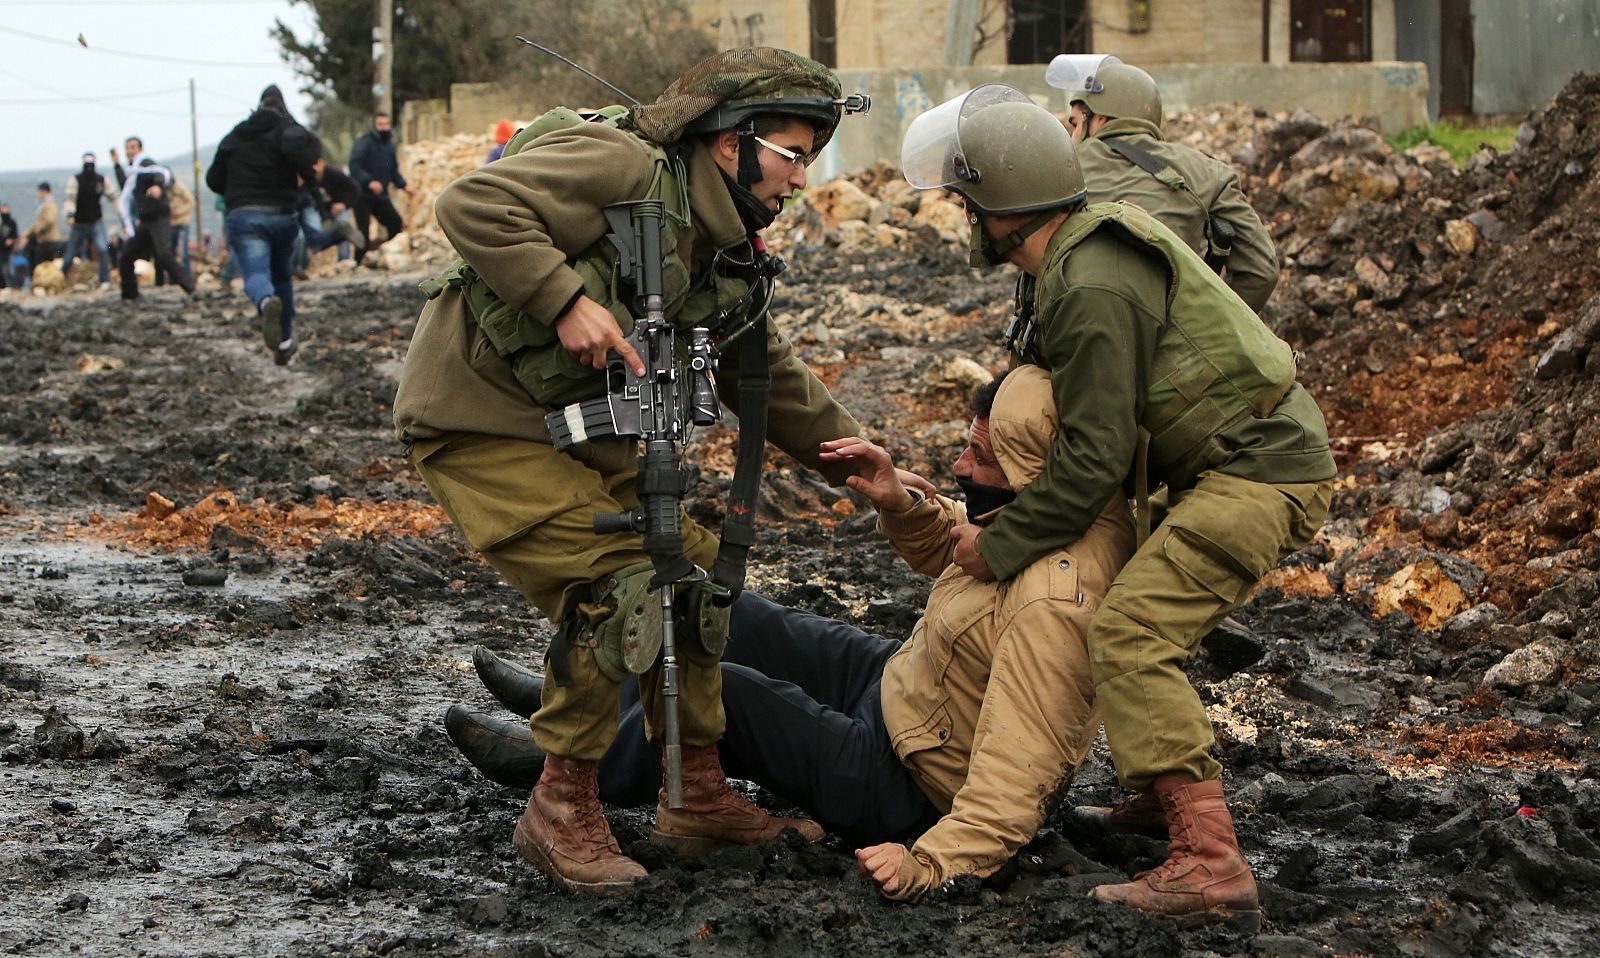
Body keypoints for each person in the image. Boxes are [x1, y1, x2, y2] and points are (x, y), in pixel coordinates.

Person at [393, 47, 872, 896]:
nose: (802, 179)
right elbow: (473, 201)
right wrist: (563, 298)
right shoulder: (625, 164)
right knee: (620, 590)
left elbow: (765, 373)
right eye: (793, 153)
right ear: (730, 141)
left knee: (691, 587)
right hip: (484, 424)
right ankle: (560, 806)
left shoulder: (728, 240)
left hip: (591, 437)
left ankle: (696, 797)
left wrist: (858, 456)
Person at [899, 84, 1336, 930]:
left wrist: (1000, 546)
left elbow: (1095, 457)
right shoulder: (1065, 265)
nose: (964, 219)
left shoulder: (1090, 282)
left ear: (1003, 205)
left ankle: (1208, 862)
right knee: (1130, 603)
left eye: (968, 202)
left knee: (1133, 630)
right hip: (1218, 465)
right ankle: (1157, 792)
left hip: (1259, 468)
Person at [446, 366, 1135, 901]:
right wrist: (905, 504)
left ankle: (566, 763)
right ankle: (576, 707)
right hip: (917, 686)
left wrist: (932, 860)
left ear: (1029, 467)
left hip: (909, 782)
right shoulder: (1061, 508)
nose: (960, 467)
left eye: (978, 457)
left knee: (723, 695)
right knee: (729, 616)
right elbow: (971, 556)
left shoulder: (1058, 606)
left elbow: (1021, 767)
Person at [1045, 55, 1279, 312]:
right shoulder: (1208, 172)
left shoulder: (1057, 167)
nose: (1073, 136)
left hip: (1074, 333)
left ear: (1099, 119)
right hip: (1166, 337)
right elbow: (1261, 272)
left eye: (1076, 124)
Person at [206, 84, 322, 365]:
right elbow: (309, 163)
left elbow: (213, 180)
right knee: (283, 276)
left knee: (256, 274)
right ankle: (284, 340)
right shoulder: (287, 132)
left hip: (245, 216)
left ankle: (265, 302)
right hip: (283, 215)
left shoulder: (235, 135)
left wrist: (237, 188)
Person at [117, 156, 195, 300]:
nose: (129, 152)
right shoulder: (132, 173)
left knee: (163, 253)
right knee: (127, 255)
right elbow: (125, 185)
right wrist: (116, 164)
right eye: (128, 148)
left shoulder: (144, 164)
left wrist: (158, 185)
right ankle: (129, 293)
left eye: (133, 148)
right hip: (145, 221)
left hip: (159, 218)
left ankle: (190, 286)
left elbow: (161, 173)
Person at [348, 112, 413, 257]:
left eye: (386, 124)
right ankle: (358, 262)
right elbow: (355, 166)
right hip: (362, 196)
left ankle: (384, 253)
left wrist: (404, 186)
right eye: (380, 125)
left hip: (380, 196)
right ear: (374, 126)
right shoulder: (364, 142)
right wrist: (369, 181)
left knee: (395, 224)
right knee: (363, 231)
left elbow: (393, 171)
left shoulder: (390, 146)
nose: (384, 128)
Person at [62, 153, 117, 288]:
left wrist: (121, 211)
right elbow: (70, 199)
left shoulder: (101, 180)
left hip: (95, 221)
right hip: (79, 223)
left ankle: (105, 279)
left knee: (103, 249)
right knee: (70, 254)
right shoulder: (76, 180)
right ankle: (61, 278)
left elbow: (113, 196)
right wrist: (70, 214)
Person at [23, 181, 61, 283]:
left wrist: (37, 229)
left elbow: (49, 220)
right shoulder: (45, 204)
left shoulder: (48, 204)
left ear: (44, 191)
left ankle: (42, 283)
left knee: (41, 265)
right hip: (45, 240)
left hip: (47, 240)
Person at [0, 203, 20, 289]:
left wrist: (12, 241)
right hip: (1, 249)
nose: (4, 210)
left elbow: (15, 236)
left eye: (6, 208)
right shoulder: (1, 222)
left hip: (8, 250)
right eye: (3, 208)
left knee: (8, 269)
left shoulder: (12, 223)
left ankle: (12, 286)